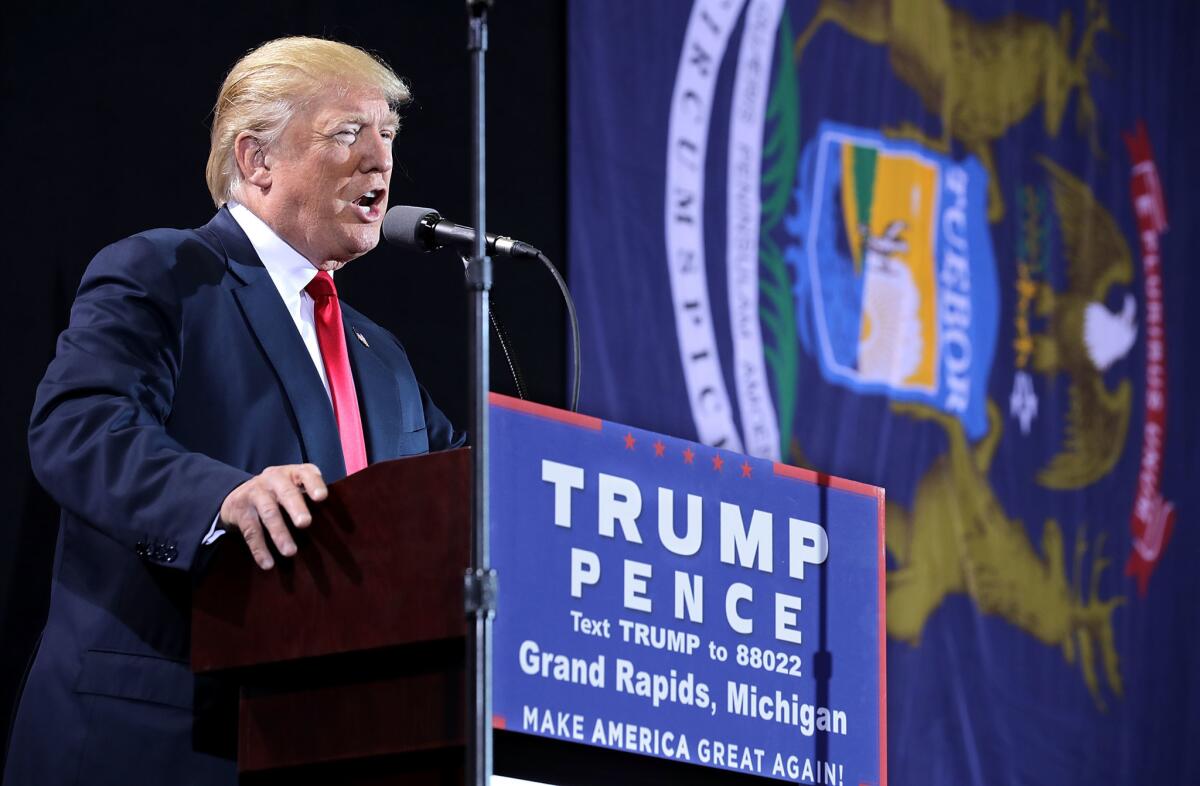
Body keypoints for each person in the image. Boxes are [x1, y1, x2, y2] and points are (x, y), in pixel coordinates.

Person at [3, 37, 463, 785]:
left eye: (389, 136)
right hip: (159, 738)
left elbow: (461, 491)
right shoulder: (164, 273)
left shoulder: (381, 355)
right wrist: (219, 496)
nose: (382, 161)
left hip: (328, 742)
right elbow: (78, 428)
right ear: (257, 160)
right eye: (350, 132)